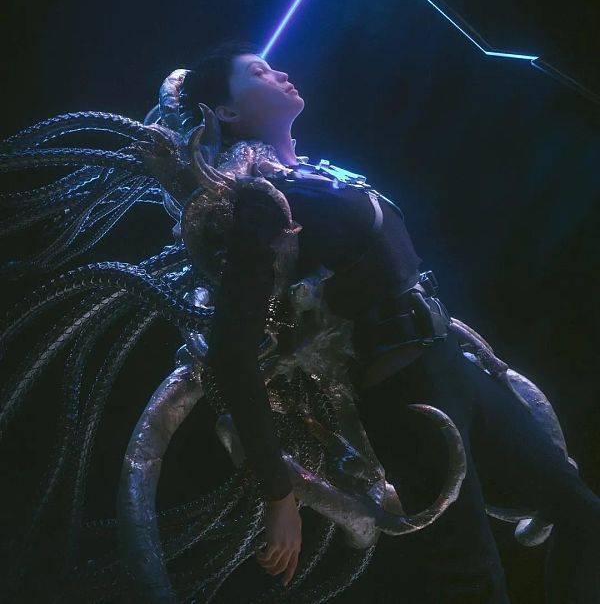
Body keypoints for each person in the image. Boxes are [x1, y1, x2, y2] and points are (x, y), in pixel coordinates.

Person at [180, 40, 600, 602]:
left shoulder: (317, 176)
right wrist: (279, 492)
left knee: (581, 515)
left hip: (449, 365)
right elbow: (231, 352)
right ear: (226, 111)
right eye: (259, 72)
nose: (279, 72)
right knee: (473, 577)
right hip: (407, 396)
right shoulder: (260, 202)